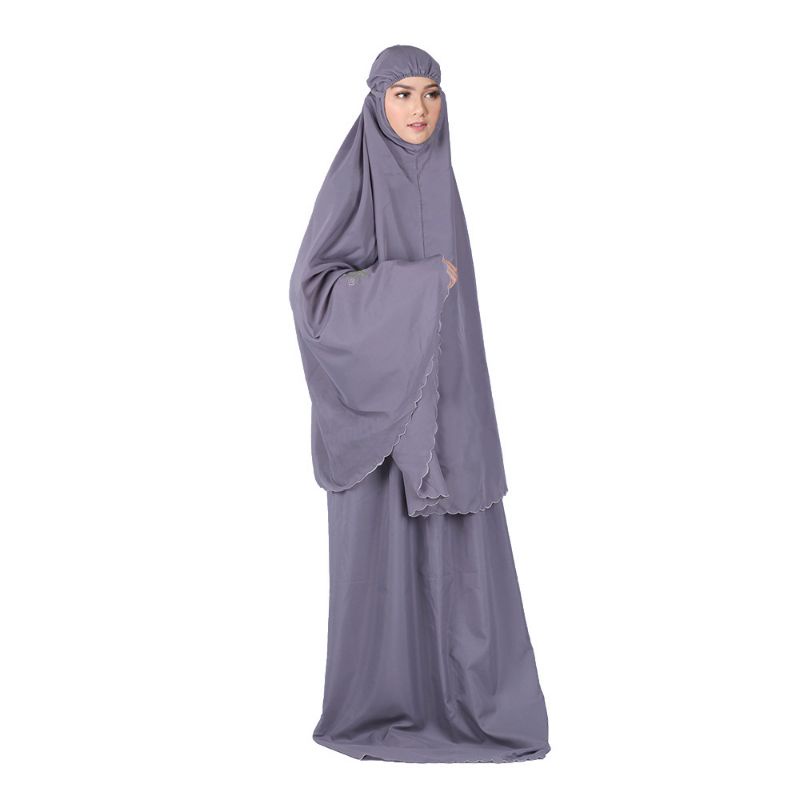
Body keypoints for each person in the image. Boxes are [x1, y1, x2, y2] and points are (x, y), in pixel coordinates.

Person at [289, 44, 550, 763]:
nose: (419, 109)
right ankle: (381, 707)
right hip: (381, 415)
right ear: (377, 101)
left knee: (461, 546)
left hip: (452, 400)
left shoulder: (441, 176)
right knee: (382, 554)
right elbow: (313, 295)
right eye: (402, 93)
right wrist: (418, 282)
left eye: (431, 93)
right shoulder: (356, 177)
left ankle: (473, 707)